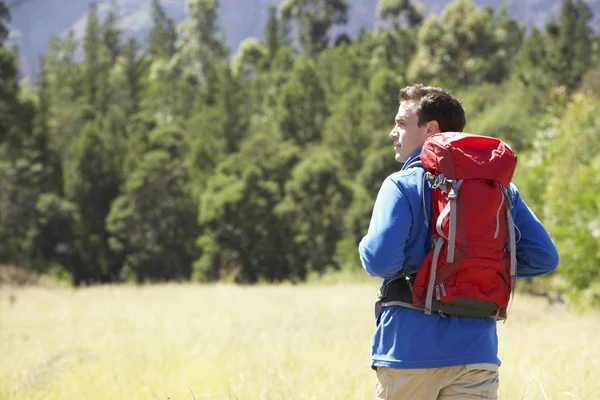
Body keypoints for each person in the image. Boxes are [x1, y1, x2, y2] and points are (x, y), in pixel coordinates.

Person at [358, 84, 560, 400]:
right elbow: (544, 257)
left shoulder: (401, 184)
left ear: (430, 129)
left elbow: (379, 261)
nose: (392, 133)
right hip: (477, 356)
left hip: (408, 353)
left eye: (400, 123)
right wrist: (479, 265)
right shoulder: (501, 189)